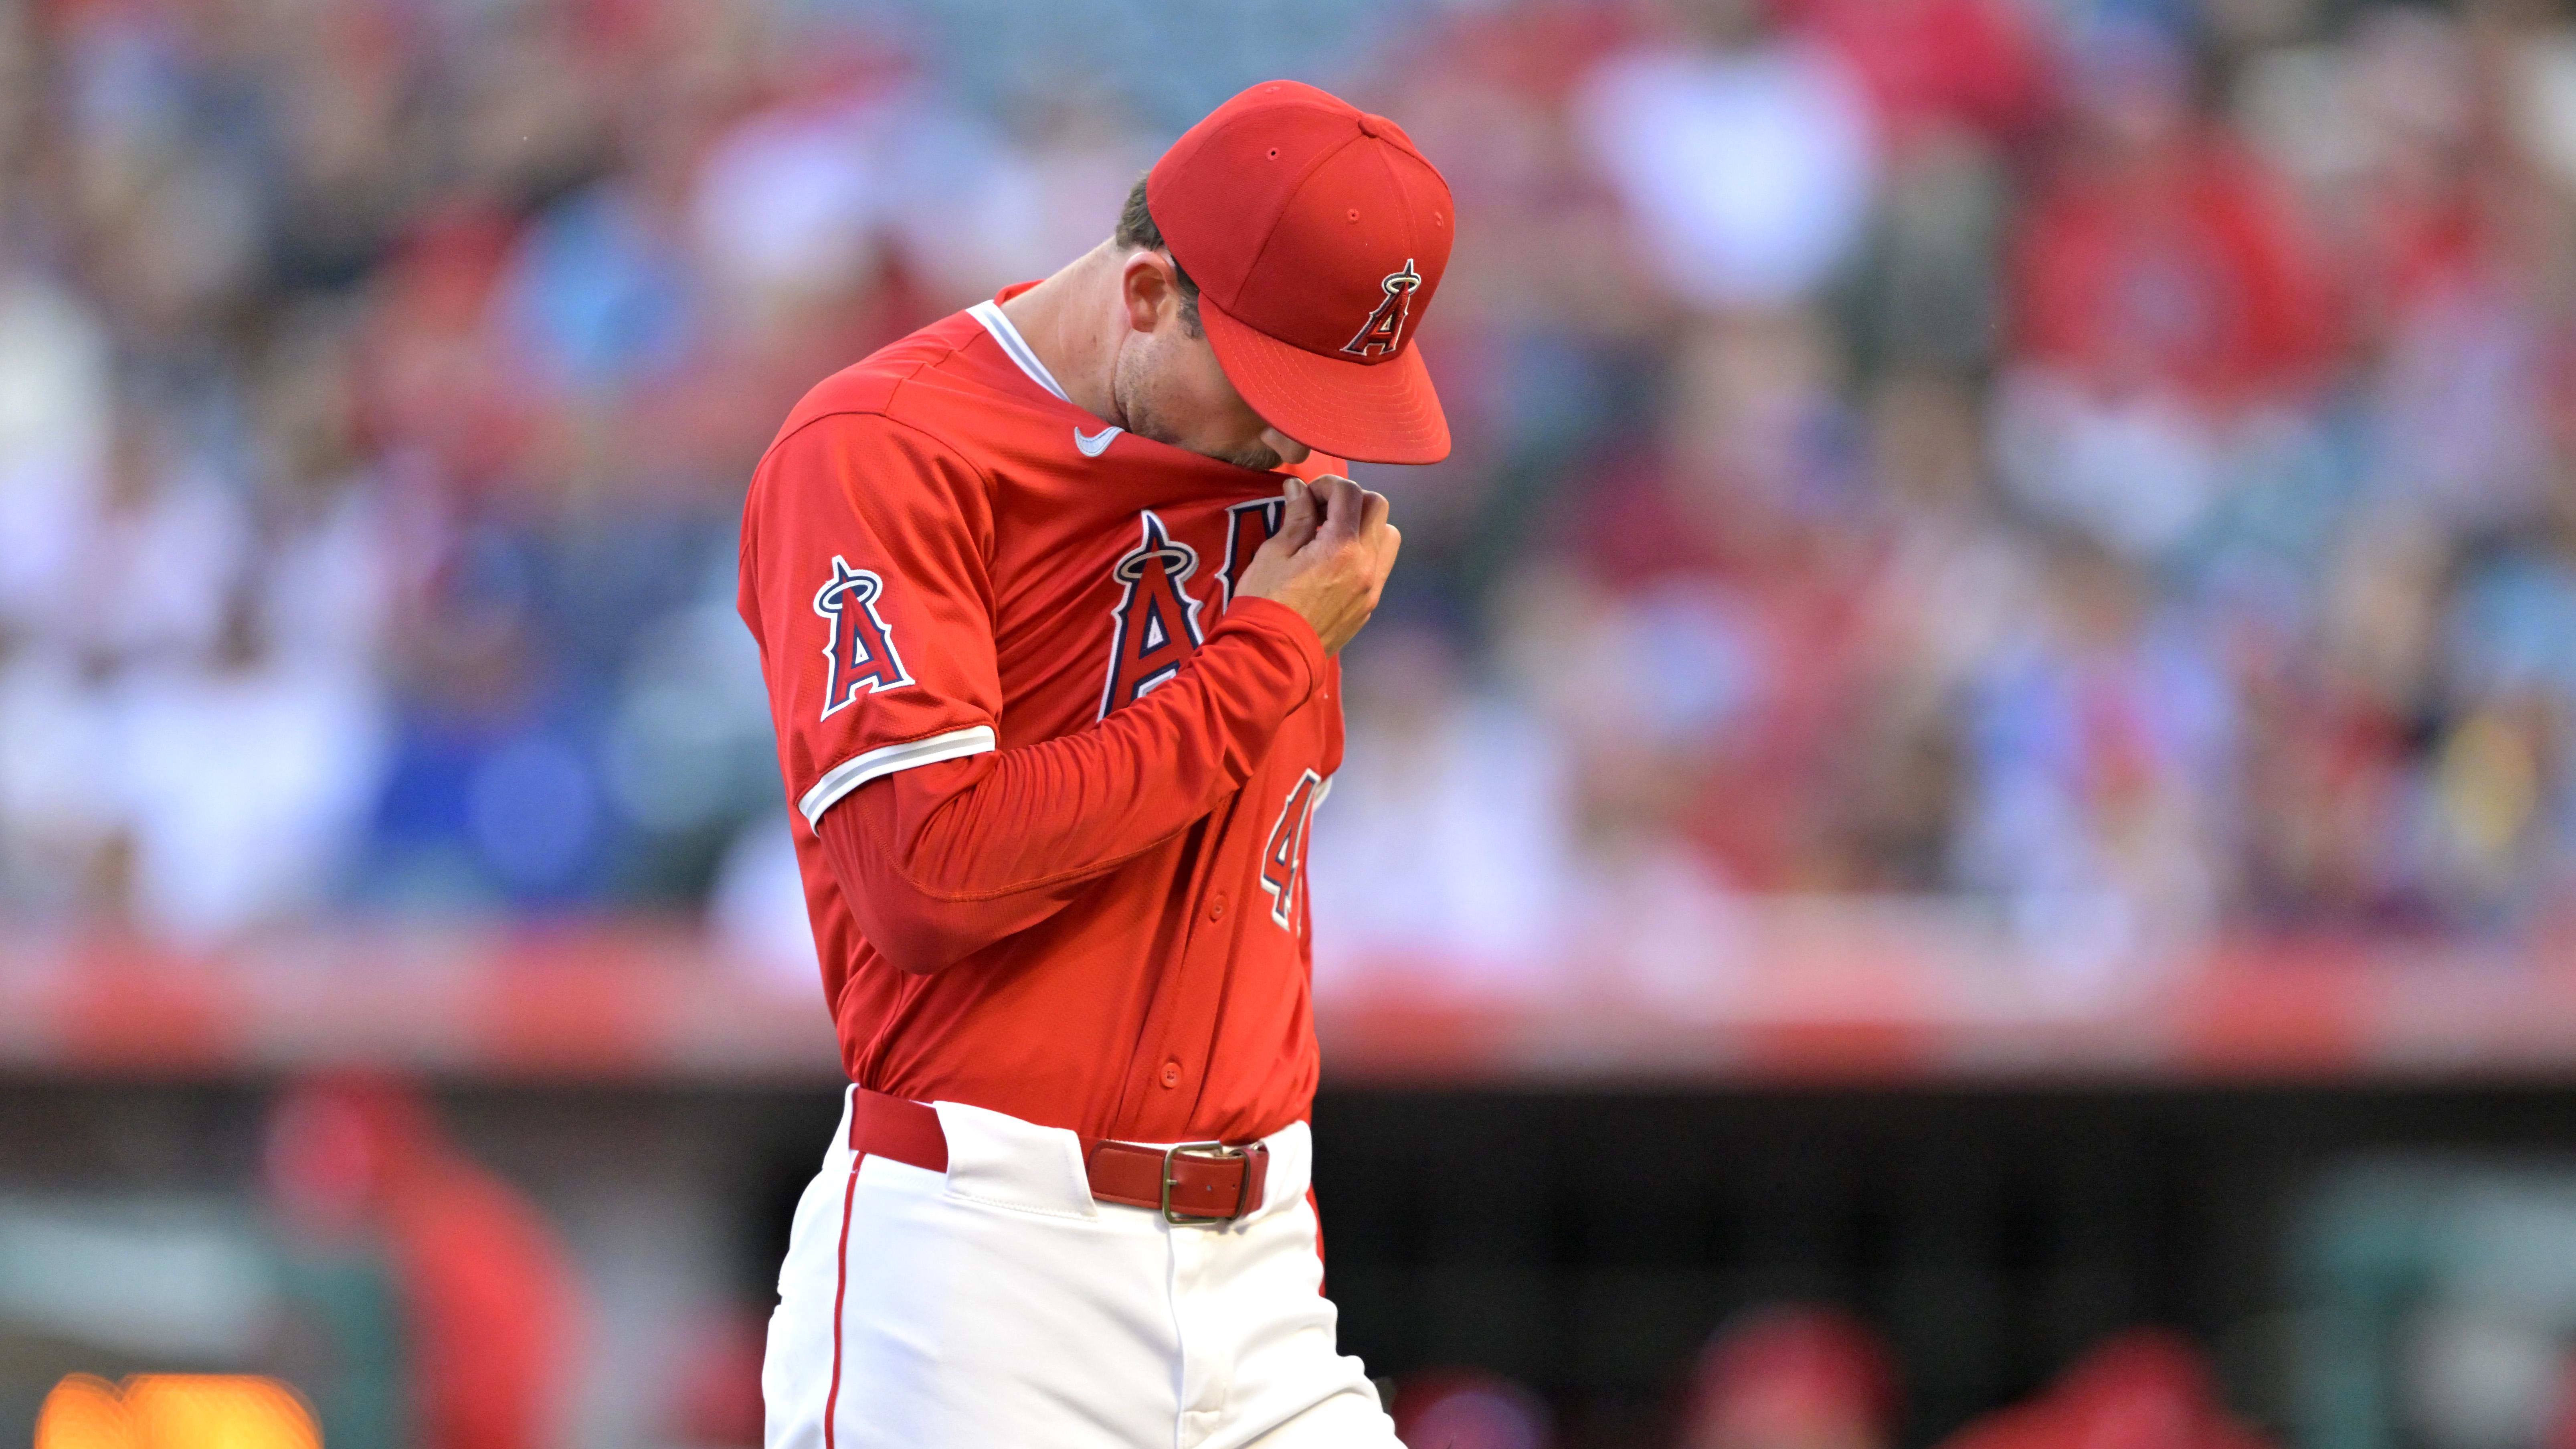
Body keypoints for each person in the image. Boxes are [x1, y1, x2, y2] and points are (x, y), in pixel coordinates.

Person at [734, 79, 1451, 1446]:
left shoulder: (1265, 475)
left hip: (1263, 1272)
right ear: (1140, 295)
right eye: (1265, 383)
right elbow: (924, 874)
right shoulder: (886, 448)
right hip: (984, 1276)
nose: (1295, 435)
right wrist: (1262, 662)